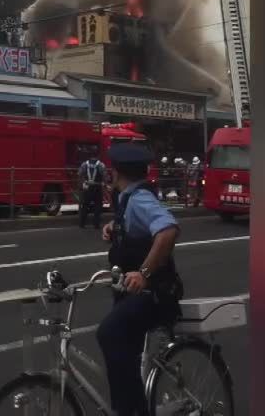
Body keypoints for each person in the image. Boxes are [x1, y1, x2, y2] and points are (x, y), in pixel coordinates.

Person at [98, 143, 183, 416]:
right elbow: (138, 230)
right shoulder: (128, 198)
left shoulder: (138, 200)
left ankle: (134, 410)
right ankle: (130, 407)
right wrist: (115, 228)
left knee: (109, 333)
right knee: (124, 351)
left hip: (155, 295)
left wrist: (144, 273)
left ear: (117, 172)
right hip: (135, 294)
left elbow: (167, 230)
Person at [78, 154, 106, 228]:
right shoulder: (101, 164)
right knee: (98, 205)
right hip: (97, 187)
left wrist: (82, 183)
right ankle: (96, 224)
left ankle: (82, 223)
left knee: (85, 205)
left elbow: (79, 174)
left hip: (87, 186)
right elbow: (104, 176)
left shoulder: (84, 164)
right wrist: (105, 183)